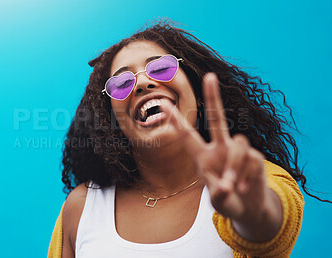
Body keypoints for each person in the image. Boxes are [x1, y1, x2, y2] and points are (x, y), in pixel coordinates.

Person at [47, 21, 315, 257]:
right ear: (111, 118)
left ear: (197, 94)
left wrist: (252, 214)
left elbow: (270, 225)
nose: (142, 84)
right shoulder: (82, 207)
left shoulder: (252, 179)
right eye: (122, 83)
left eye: (161, 68)